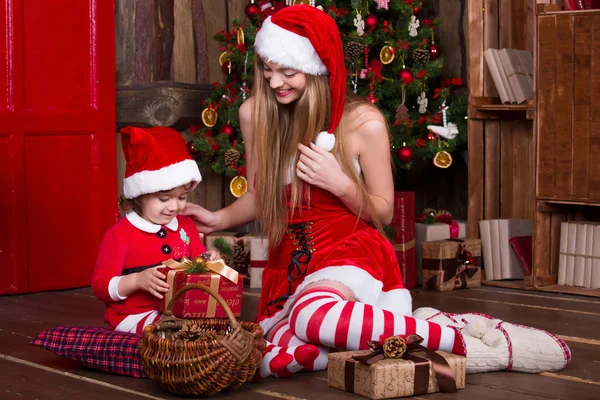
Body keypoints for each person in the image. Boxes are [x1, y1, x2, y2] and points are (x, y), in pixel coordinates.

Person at [184, 5, 571, 377]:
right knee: (287, 348)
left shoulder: (363, 122)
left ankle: (467, 343)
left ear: (316, 69)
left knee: (313, 319)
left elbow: (383, 212)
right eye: (267, 69)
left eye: (287, 71)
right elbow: (261, 195)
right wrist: (217, 219)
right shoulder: (256, 114)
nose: (274, 81)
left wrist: (340, 183)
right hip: (291, 262)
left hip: (349, 250)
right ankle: (415, 324)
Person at [92, 126, 218, 335]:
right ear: (140, 195)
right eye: (164, 199)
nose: (174, 207)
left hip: (179, 311)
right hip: (134, 316)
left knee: (212, 326)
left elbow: (197, 264)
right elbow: (101, 286)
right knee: (172, 331)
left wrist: (208, 259)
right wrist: (136, 281)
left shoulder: (185, 226)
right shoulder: (120, 235)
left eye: (182, 197)